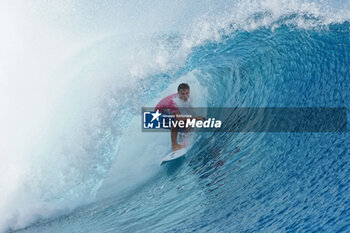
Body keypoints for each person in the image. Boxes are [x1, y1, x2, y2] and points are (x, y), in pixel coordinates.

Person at [155, 83, 204, 151]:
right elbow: (179, 118)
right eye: (182, 94)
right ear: (178, 93)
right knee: (178, 121)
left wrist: (198, 117)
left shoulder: (186, 98)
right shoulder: (174, 102)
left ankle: (182, 142)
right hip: (158, 115)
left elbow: (189, 109)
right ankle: (174, 145)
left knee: (188, 123)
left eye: (187, 93)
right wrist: (196, 118)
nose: (185, 96)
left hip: (167, 112)